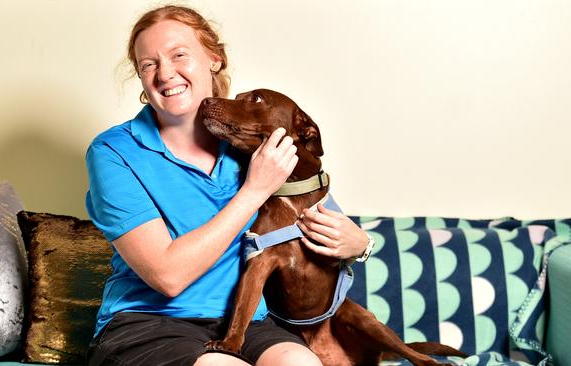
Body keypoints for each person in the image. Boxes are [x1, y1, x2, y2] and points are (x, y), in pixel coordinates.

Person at [85, 5, 370, 366]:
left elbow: (320, 211)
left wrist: (360, 244)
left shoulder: (249, 139)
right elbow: (167, 276)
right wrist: (254, 191)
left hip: (246, 322)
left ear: (213, 60)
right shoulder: (113, 152)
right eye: (148, 64)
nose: (165, 73)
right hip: (147, 324)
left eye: (179, 55)